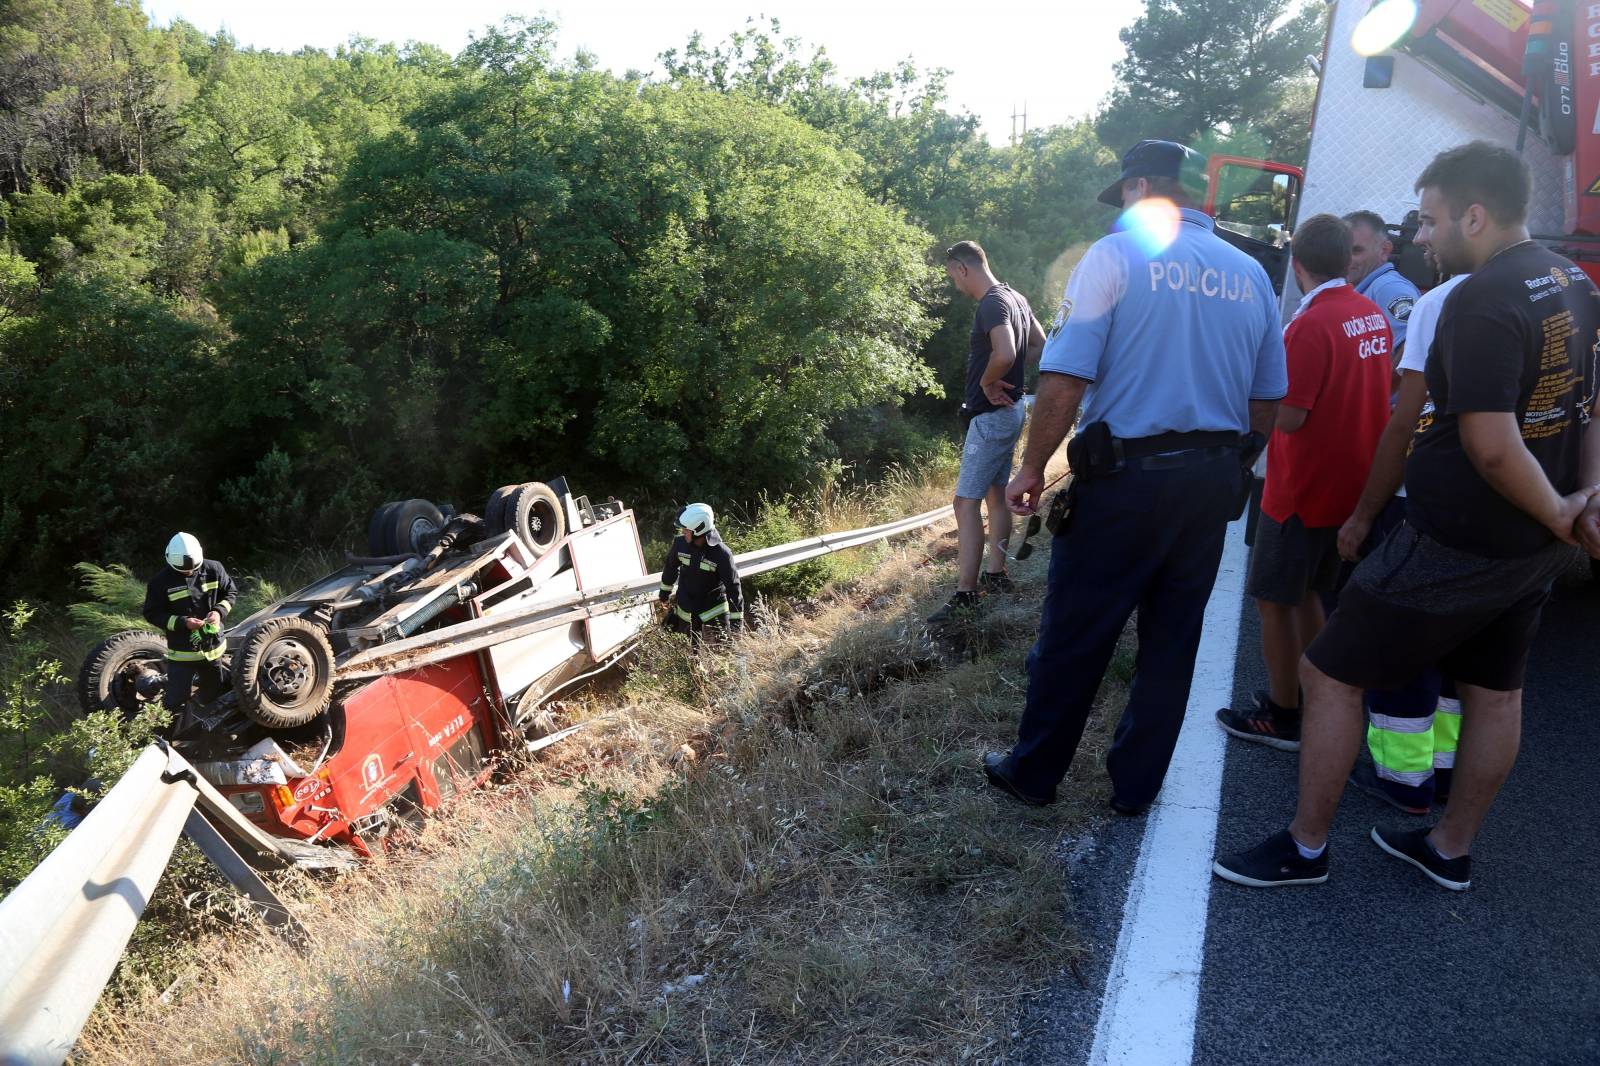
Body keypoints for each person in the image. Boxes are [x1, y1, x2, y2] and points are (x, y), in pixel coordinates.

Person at [1214, 142, 1600, 893]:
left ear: (1475, 214)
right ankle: (1449, 848)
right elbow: (1593, 402)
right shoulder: (1574, 279)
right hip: (1532, 548)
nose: (1420, 238)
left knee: (1327, 673)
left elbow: (1490, 447)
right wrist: (1583, 498)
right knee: (1496, 693)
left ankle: (1306, 847)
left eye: (1429, 222)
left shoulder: (1478, 299)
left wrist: (1562, 508)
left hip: (1459, 538)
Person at [980, 139, 1287, 814]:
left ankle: (1033, 775)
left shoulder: (1114, 257)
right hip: (1211, 482)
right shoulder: (1249, 272)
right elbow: (1269, 393)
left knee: (1076, 633)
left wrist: (1031, 467)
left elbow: (1064, 378)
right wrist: (1239, 459)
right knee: (1172, 642)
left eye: (1123, 191)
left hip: (1127, 482)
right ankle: (1136, 788)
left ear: (1141, 185)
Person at [1216, 215, 1393, 752]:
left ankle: (1283, 713)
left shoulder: (1310, 325)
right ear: (1348, 259)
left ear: (1297, 265)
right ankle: (1325, 695)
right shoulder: (1371, 314)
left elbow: (1289, 417)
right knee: (1314, 592)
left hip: (1301, 490)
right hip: (1349, 485)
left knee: (1272, 600)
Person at [1338, 247, 1472, 815]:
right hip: (1477, 509)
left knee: (1396, 646)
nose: (1423, 238)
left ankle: (1400, 780)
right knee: (1449, 656)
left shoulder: (1437, 302)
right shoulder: (1546, 296)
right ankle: (1438, 774)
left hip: (1415, 501)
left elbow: (1404, 421)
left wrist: (1363, 514)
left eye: (1430, 221)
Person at [927, 240, 1045, 624]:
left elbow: (1007, 352)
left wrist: (990, 381)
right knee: (996, 496)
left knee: (965, 503)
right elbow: (1039, 344)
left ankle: (965, 594)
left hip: (991, 417)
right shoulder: (1017, 298)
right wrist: (1009, 378)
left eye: (952, 277)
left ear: (963, 268)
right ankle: (995, 574)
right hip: (1009, 414)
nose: (956, 286)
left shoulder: (992, 303)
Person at [141, 532, 238, 714]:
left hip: (213, 651)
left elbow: (230, 592)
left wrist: (218, 612)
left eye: (192, 569)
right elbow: (152, 613)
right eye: (183, 570)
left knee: (215, 695)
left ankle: (209, 735)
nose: (189, 572)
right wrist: (183, 623)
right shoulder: (159, 583)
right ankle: (167, 736)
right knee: (175, 700)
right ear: (170, 560)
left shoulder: (214, 569)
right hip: (182, 655)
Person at [1344, 209, 1422, 365]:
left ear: (1384, 250)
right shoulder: (1367, 288)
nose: (1346, 259)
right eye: (1341, 250)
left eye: (1356, 250)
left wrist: (1380, 389)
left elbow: (1413, 349)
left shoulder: (1389, 289)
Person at [659, 503, 743, 640]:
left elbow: (734, 589)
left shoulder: (722, 554)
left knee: (722, 654)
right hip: (686, 612)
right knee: (688, 656)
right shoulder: (680, 545)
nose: (683, 532)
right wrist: (664, 594)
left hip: (714, 615)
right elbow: (670, 568)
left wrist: (736, 625)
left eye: (686, 529)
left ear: (699, 529)